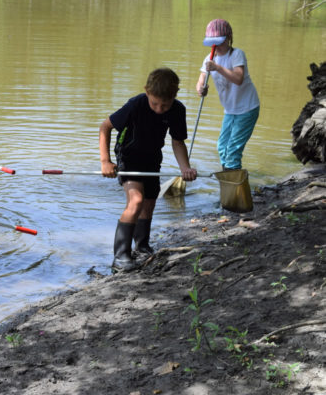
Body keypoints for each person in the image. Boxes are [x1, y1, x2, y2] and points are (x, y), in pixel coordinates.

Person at [99, 68, 198, 273]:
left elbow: (178, 142)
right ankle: (120, 256)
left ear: (174, 97)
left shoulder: (178, 110)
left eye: (165, 105)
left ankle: (142, 246)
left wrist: (185, 168)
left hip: (152, 158)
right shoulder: (135, 104)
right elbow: (105, 127)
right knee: (135, 201)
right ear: (146, 92)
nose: (160, 109)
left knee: (149, 204)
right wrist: (105, 161)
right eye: (155, 103)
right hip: (129, 156)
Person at [196, 18, 260, 171]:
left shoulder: (236, 54)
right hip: (230, 110)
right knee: (222, 147)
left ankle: (234, 188)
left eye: (219, 42)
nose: (215, 46)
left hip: (247, 108)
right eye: (212, 42)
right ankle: (228, 178)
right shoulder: (209, 58)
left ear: (229, 38)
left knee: (233, 150)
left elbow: (238, 78)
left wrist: (217, 68)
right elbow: (201, 80)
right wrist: (200, 89)